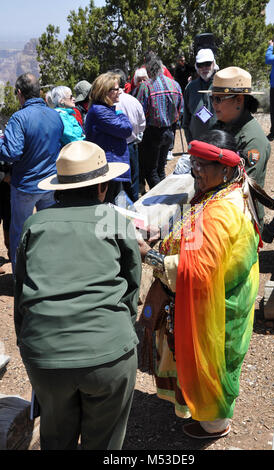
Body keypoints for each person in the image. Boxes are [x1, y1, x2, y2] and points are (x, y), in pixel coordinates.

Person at [14, 140, 141, 450]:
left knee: (57, 436)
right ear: (102, 187)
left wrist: (33, 343)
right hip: (109, 353)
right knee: (106, 440)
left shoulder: (34, 225)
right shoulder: (115, 221)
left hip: (45, 355)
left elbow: (22, 297)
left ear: (59, 188)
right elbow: (131, 289)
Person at [138, 130, 262, 439]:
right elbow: (197, 237)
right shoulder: (223, 191)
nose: (197, 170)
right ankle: (206, 412)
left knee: (216, 361)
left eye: (204, 165)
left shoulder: (223, 210)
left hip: (219, 303)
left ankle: (214, 424)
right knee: (212, 359)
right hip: (220, 294)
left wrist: (151, 256)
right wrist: (166, 238)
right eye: (195, 163)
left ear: (226, 167)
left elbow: (198, 271)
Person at [0, 73, 64, 273]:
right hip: (51, 184)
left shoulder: (19, 118)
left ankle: (21, 280)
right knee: (49, 230)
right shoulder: (55, 115)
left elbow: (12, 152)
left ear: (20, 94)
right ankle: (48, 273)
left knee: (20, 233)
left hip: (25, 186)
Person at [203, 66, 271, 227]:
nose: (213, 104)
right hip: (218, 213)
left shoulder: (252, 140)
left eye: (218, 99)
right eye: (212, 98)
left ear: (239, 100)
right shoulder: (222, 126)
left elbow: (241, 189)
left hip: (241, 220)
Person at [136, 55, 183, 190]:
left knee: (150, 170)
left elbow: (140, 112)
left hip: (152, 132)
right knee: (161, 169)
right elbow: (181, 109)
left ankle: (160, 197)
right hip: (169, 131)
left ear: (149, 71)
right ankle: (165, 195)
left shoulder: (146, 87)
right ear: (162, 69)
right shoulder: (175, 84)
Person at [85, 72, 133, 204]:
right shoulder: (100, 111)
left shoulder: (104, 109)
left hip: (111, 165)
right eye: (117, 89)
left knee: (118, 203)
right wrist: (121, 113)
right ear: (105, 91)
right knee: (111, 205)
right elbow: (126, 129)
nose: (120, 92)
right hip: (109, 168)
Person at [114, 69, 146, 202]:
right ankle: (135, 207)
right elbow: (142, 123)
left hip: (117, 148)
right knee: (133, 180)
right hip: (132, 145)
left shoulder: (109, 103)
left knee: (119, 184)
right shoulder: (132, 100)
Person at [182, 48, 218, 144]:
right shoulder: (190, 88)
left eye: (207, 64)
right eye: (200, 65)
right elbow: (186, 120)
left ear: (213, 64)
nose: (204, 68)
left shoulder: (222, 85)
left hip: (220, 146)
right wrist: (190, 144)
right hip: (198, 145)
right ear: (196, 67)